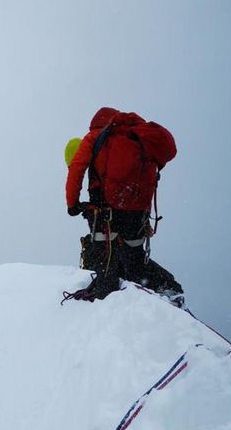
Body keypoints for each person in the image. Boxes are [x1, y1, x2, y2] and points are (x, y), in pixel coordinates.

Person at [64, 107, 184, 303]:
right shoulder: (140, 138)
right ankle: (168, 288)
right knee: (135, 260)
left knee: (105, 260)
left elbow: (77, 168)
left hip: (106, 212)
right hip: (137, 215)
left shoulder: (95, 137)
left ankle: (102, 302)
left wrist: (72, 204)